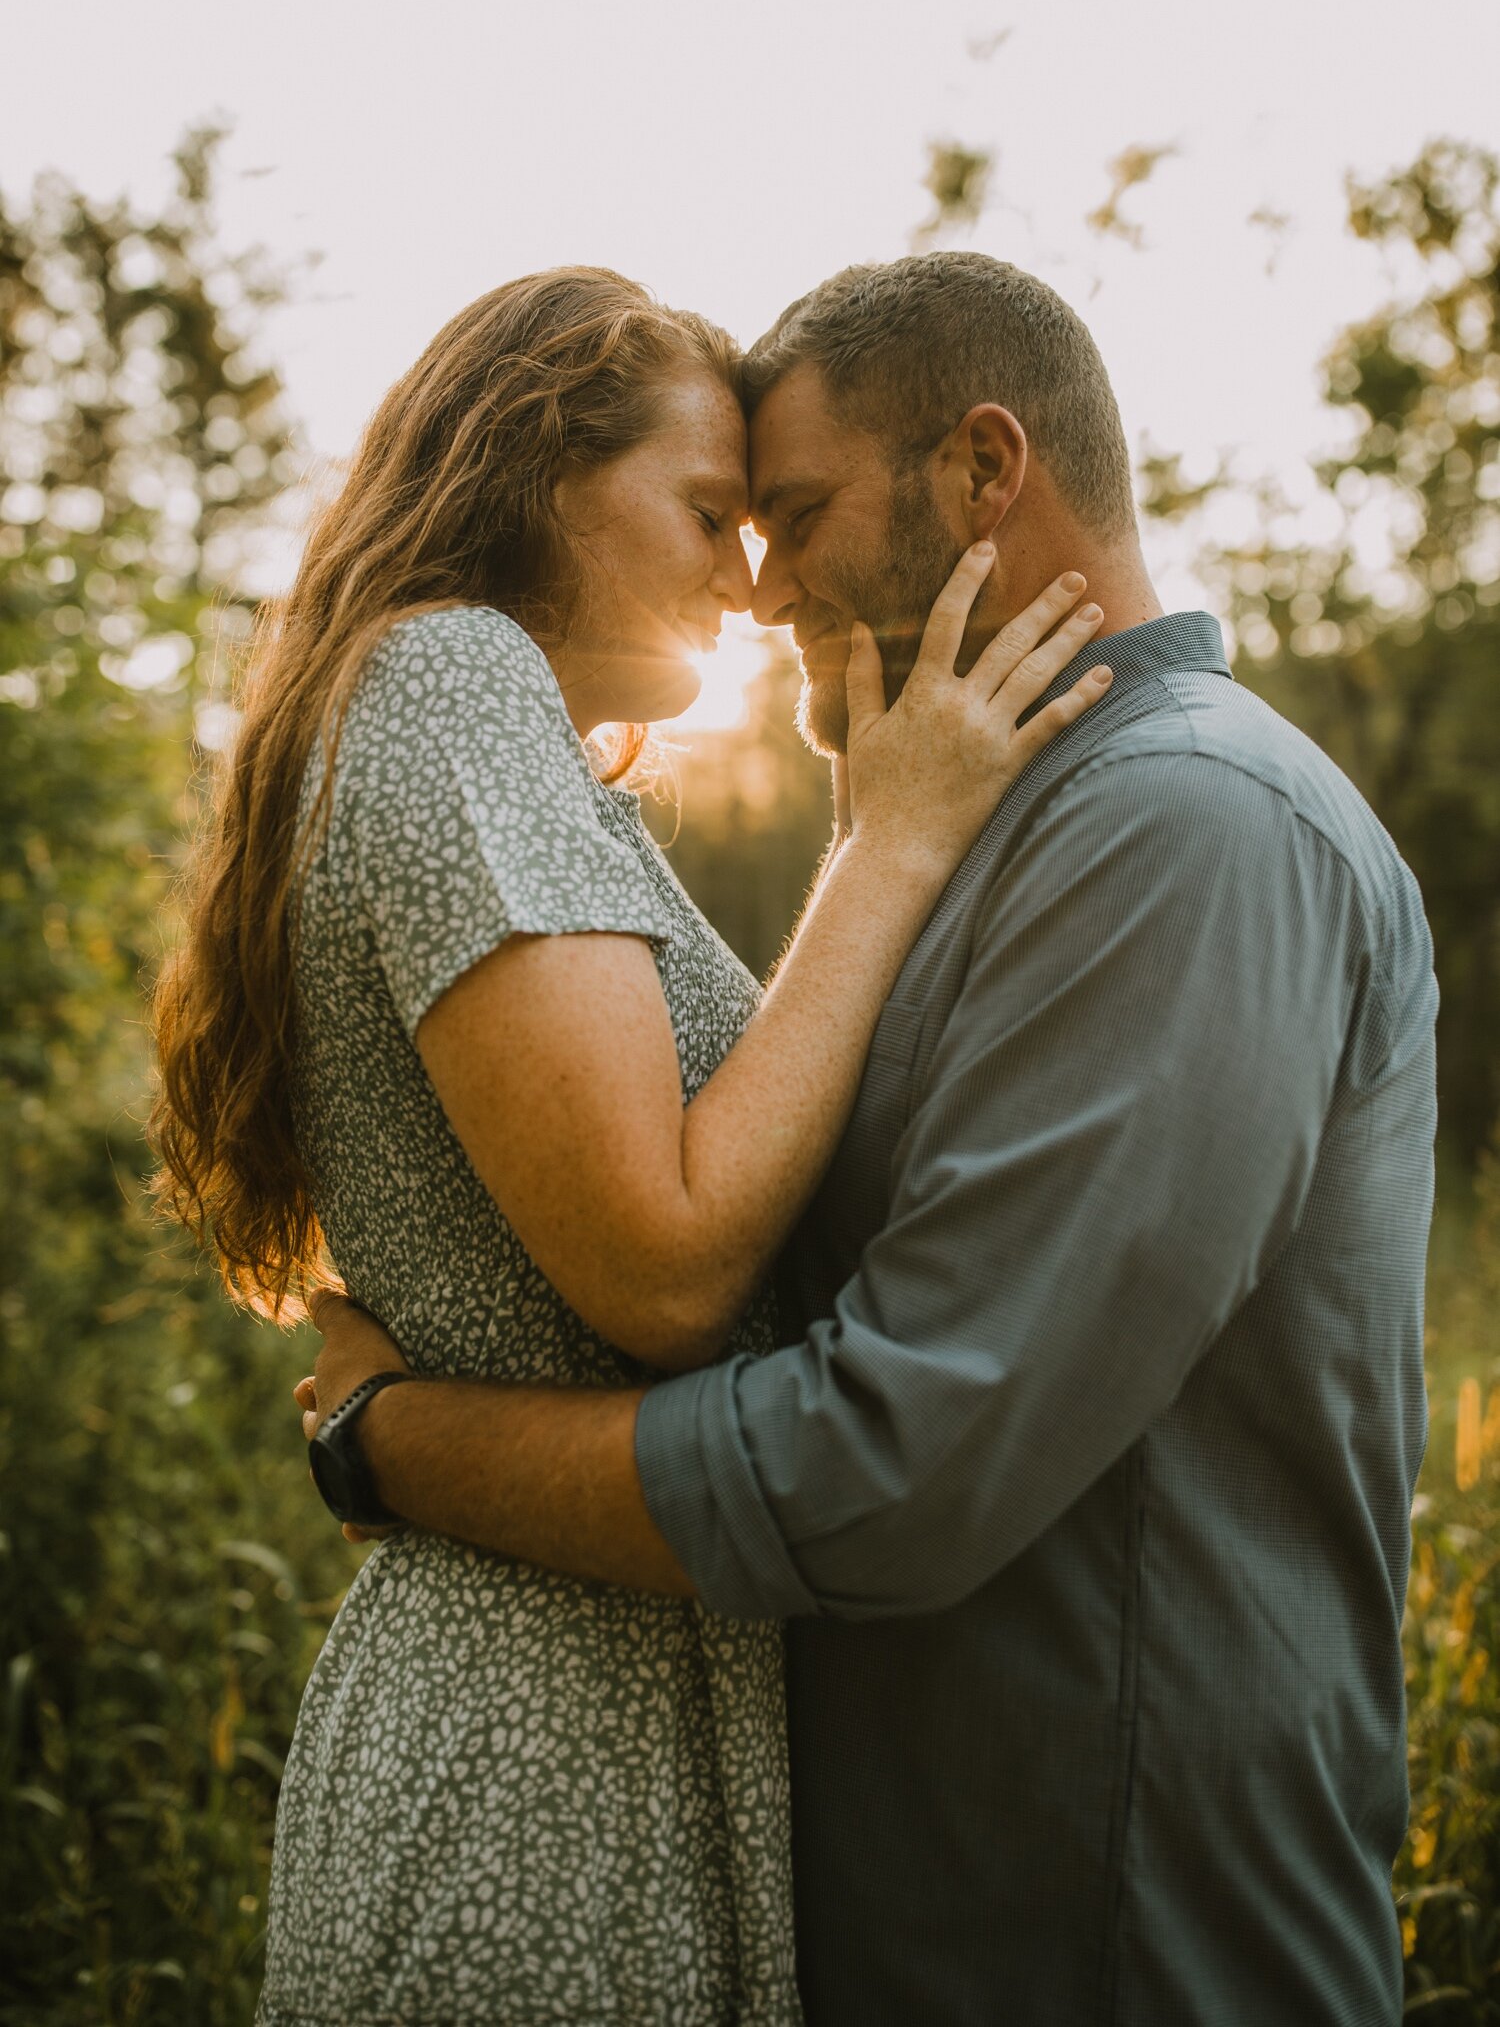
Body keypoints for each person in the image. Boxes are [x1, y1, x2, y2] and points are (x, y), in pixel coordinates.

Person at [304, 252, 1439, 2027]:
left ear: (985, 474)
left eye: (799, 510)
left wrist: (403, 1444)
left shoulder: (1185, 830)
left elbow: (892, 1464)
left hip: (1114, 1943)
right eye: (728, 515)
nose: (759, 587)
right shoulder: (984, 824)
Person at [149, 263, 1109, 2027]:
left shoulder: (491, 731)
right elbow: (666, 1264)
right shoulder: (450, 681)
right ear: (533, 471)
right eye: (711, 513)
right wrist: (890, 847)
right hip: (532, 1750)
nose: (751, 586)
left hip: (618, 1705)